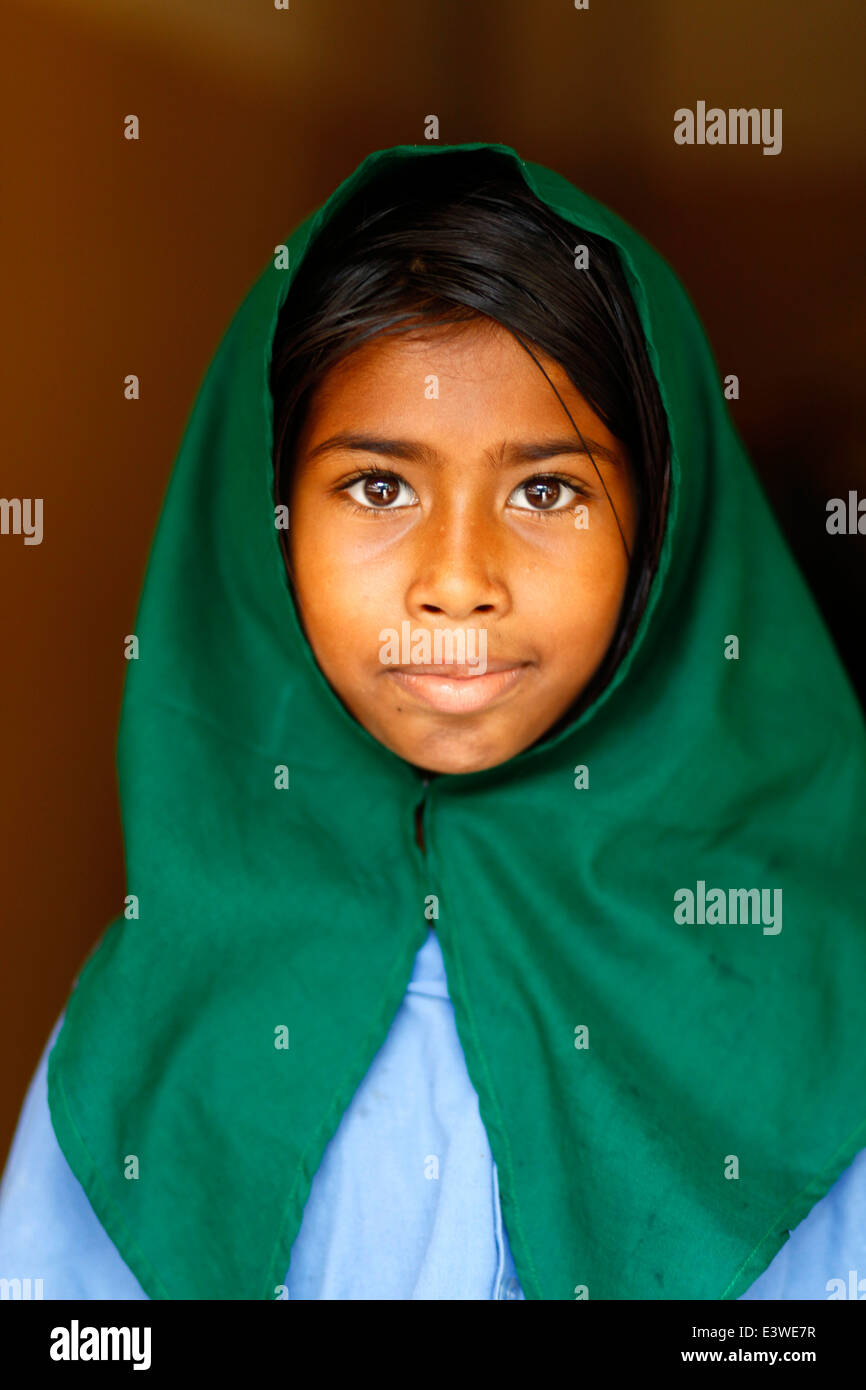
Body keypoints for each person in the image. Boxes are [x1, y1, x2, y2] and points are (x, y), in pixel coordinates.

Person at [2, 142, 866, 1301]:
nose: (457, 578)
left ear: (661, 535)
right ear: (263, 524)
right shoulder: (146, 1040)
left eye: (547, 489)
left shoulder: (809, 1016)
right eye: (377, 485)